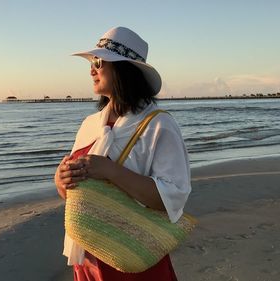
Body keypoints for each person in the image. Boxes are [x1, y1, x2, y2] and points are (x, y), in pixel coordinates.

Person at [54, 27, 191, 280]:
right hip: (89, 258)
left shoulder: (158, 125)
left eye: (98, 62)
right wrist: (61, 181)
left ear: (124, 69)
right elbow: (78, 195)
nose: (91, 69)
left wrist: (110, 170)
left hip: (132, 256)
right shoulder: (90, 124)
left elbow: (172, 198)